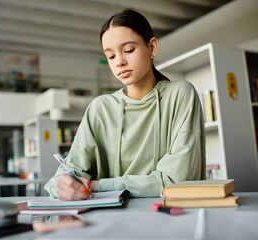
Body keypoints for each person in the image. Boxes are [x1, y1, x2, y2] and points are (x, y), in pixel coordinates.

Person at [44, 9, 206, 200]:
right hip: (112, 220)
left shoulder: (181, 95)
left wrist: (97, 186)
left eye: (129, 50)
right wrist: (62, 186)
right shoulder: (100, 109)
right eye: (111, 56)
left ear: (152, 47)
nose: (120, 62)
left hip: (170, 216)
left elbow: (176, 180)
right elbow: (62, 177)